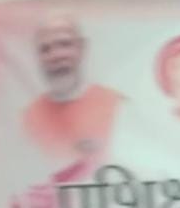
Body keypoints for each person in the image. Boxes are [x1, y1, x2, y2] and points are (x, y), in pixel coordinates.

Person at [23, 14, 122, 172]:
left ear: (82, 48)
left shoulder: (118, 106)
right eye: (45, 49)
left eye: (64, 44)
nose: (56, 56)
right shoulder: (29, 117)